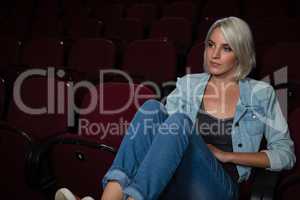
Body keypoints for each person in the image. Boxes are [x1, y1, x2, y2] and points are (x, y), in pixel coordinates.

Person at [55, 16, 296, 200]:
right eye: (210, 45)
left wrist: (227, 155)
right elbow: (159, 134)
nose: (214, 54)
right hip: (175, 177)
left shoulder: (262, 94)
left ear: (241, 53)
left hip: (219, 186)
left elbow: (285, 154)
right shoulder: (189, 84)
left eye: (226, 48)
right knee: (151, 108)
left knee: (180, 121)